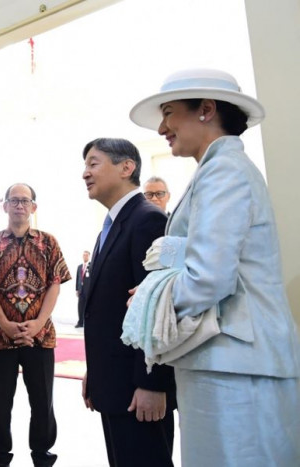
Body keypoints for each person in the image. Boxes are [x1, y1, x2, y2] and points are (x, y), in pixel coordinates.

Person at [128, 68, 300, 466]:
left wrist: (151, 301)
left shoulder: (224, 170)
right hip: (226, 361)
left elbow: (209, 276)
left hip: (236, 364)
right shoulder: (217, 170)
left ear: (206, 109)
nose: (162, 127)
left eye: (169, 113)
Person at [80, 138, 176, 467]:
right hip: (115, 382)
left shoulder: (147, 220)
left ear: (126, 167)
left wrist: (153, 383)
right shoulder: (112, 224)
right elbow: (106, 310)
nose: (85, 173)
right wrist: (96, 371)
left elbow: (159, 308)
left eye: (94, 163)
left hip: (139, 390)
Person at [0, 183, 71, 467]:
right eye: (13, 200)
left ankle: (42, 456)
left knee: (42, 403)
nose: (19, 205)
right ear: (4, 206)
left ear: (33, 207)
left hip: (41, 337)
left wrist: (38, 323)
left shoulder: (48, 243)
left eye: (25, 201)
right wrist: (4, 324)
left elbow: (55, 284)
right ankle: (0, 459)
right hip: (0, 338)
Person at [74, 250, 90, 328]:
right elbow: (77, 278)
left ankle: (87, 323)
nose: (85, 256)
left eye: (86, 255)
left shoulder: (91, 266)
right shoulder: (80, 267)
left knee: (88, 307)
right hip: (81, 290)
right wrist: (77, 289)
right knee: (80, 306)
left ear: (89, 256)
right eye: (84, 255)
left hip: (88, 290)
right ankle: (80, 322)